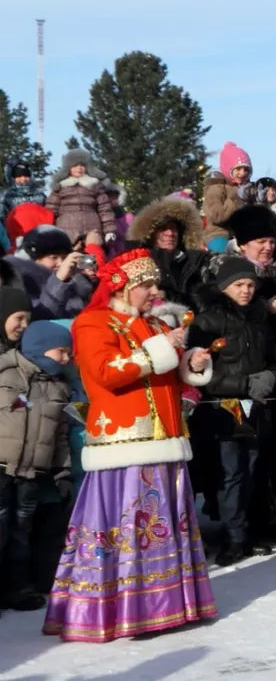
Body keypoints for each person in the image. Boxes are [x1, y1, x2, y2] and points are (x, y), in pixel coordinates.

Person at [43, 249, 218, 641]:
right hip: (124, 439)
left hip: (165, 438)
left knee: (161, 522)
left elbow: (168, 377)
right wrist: (161, 350)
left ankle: (167, 604)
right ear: (123, 285)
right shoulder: (91, 323)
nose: (156, 292)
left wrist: (191, 360)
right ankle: (126, 607)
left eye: (155, 284)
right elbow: (105, 373)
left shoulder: (154, 323)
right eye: (147, 286)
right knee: (128, 523)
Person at [187, 255, 276, 566]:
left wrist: (270, 377)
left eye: (251, 285)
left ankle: (248, 534)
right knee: (230, 474)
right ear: (225, 287)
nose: (246, 291)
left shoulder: (259, 320)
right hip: (223, 410)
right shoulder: (207, 321)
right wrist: (243, 382)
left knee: (254, 472)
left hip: (256, 407)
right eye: (239, 285)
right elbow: (203, 373)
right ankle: (233, 538)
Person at [0, 313, 70, 610]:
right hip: (1, 467)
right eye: (61, 351)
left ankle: (18, 587)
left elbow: (61, 435)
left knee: (20, 531)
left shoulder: (59, 388)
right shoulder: (6, 374)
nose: (66, 359)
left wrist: (62, 471)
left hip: (32, 473)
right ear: (41, 348)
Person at [129, 197, 207, 306]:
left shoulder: (192, 262)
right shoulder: (137, 261)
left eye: (173, 228)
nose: (170, 233)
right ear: (151, 234)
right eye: (163, 228)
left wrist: (170, 295)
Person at [11, 226, 94, 320]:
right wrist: (59, 280)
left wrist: (85, 277)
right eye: (53, 257)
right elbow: (43, 317)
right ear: (32, 258)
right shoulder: (21, 284)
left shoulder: (71, 275)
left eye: (64, 257)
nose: (61, 263)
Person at [48, 147, 116, 250]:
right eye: (75, 165)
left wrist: (109, 230)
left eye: (82, 165)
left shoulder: (95, 185)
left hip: (92, 230)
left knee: (91, 261)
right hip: (67, 232)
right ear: (68, 168)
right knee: (71, 260)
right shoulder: (59, 187)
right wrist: (49, 231)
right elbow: (51, 211)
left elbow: (105, 209)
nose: (79, 168)